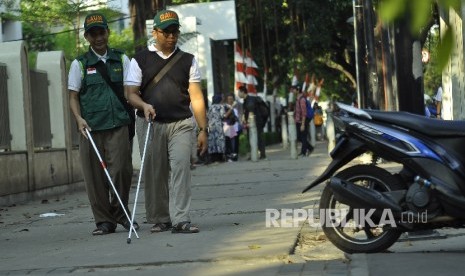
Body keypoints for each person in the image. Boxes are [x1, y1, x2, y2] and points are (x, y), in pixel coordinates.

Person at [125, 9, 207, 234]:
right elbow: (131, 93)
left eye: (175, 32)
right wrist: (143, 105)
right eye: (166, 32)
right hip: (150, 123)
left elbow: (196, 97)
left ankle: (181, 218)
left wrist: (203, 129)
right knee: (155, 171)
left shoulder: (188, 60)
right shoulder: (140, 59)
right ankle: (161, 218)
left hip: (181, 123)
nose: (171, 37)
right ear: (155, 32)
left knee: (181, 166)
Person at [68, 13, 137, 235]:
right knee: (95, 177)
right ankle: (104, 221)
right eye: (93, 33)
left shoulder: (122, 59)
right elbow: (73, 96)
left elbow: (131, 90)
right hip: (91, 128)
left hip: (118, 125)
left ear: (108, 32)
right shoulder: (79, 64)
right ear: (87, 36)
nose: (98, 37)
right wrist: (78, 119)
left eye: (102, 32)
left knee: (122, 172)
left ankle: (120, 212)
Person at [238, 85, 267, 160]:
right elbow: (246, 112)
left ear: (243, 92)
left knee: (259, 138)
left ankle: (262, 155)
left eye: (239, 92)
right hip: (252, 123)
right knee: (251, 138)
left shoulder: (250, 100)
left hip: (257, 122)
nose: (238, 94)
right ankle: (253, 153)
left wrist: (248, 122)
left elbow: (251, 112)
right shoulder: (245, 101)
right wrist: (244, 119)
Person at [207, 94, 226, 163]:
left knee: (212, 140)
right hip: (218, 125)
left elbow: (207, 116)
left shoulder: (210, 107)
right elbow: (222, 115)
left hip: (211, 125)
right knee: (219, 140)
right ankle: (220, 157)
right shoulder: (221, 106)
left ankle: (212, 157)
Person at [295, 88, 314, 156]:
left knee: (303, 137)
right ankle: (309, 148)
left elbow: (304, 113)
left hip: (302, 121)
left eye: (294, 89)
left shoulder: (302, 99)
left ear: (297, 90)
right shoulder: (297, 99)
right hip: (298, 121)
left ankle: (304, 152)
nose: (292, 91)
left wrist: (302, 124)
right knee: (299, 137)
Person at [223, 93, 240, 161]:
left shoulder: (236, 106)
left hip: (236, 127)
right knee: (229, 142)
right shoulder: (225, 107)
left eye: (231, 99)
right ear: (227, 100)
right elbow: (225, 116)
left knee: (236, 143)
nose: (230, 100)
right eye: (229, 99)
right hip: (229, 127)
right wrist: (231, 107)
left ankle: (235, 156)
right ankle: (230, 156)